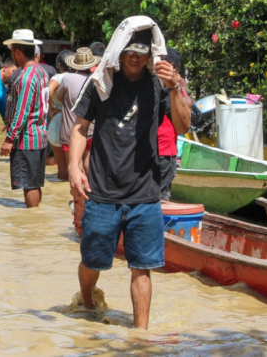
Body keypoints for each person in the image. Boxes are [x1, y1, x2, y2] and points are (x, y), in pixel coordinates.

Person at [68, 26, 191, 330]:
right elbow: (80, 127)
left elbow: (183, 126)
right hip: (102, 190)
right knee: (92, 261)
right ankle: (86, 303)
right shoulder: (100, 82)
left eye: (142, 52)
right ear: (120, 50)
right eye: (130, 51)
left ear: (152, 54)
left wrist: (175, 86)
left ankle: (141, 334)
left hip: (145, 194)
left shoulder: (160, 85)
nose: (135, 58)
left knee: (143, 268)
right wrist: (73, 167)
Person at [0, 29, 50, 208]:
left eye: (12, 50)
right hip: (40, 135)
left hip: (26, 139)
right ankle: (36, 221)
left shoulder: (25, 77)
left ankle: (31, 217)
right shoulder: (42, 72)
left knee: (28, 185)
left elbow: (23, 111)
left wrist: (9, 138)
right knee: (35, 183)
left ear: (17, 51)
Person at [56, 48, 99, 175]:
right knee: (89, 166)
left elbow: (59, 96)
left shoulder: (68, 78)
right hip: (92, 129)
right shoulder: (95, 79)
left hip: (71, 130)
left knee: (75, 169)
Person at [157, 48, 192, 200]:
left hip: (164, 153)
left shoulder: (174, 88)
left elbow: (187, 110)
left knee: (160, 200)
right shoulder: (162, 85)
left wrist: (178, 86)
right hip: (158, 153)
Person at [48, 49, 75, 180]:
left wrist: (51, 109)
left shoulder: (58, 77)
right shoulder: (78, 77)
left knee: (62, 167)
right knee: (73, 166)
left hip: (57, 120)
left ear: (59, 65)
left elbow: (49, 91)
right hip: (72, 121)